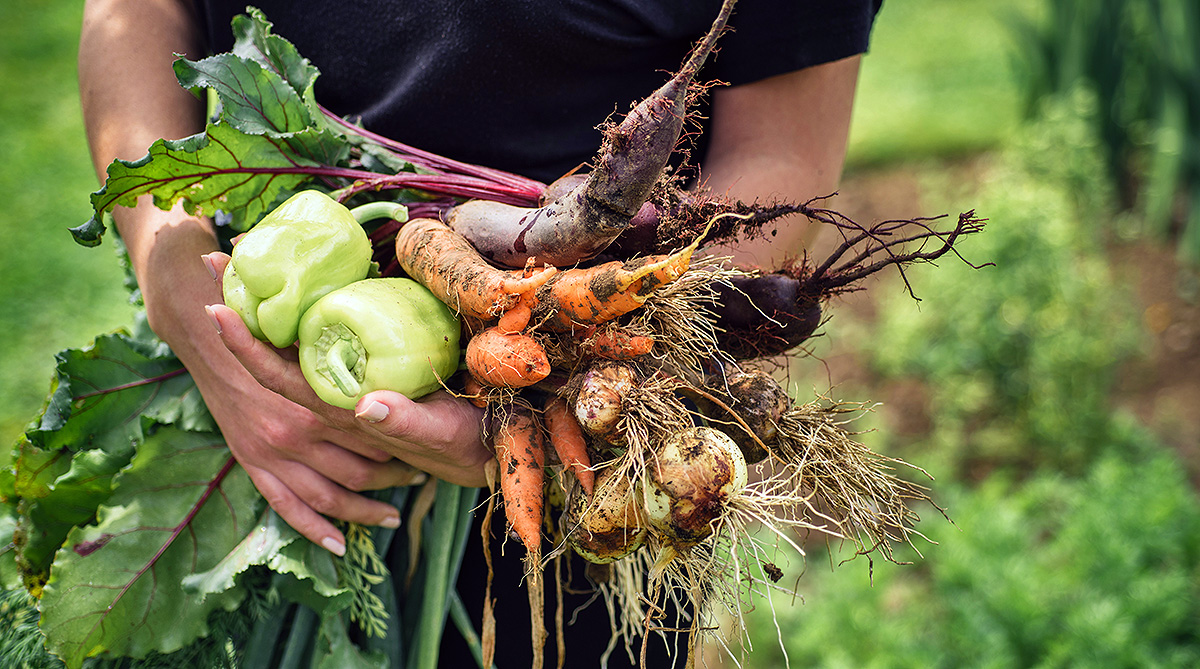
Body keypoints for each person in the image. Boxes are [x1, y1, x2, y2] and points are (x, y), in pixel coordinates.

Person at [78, 0, 882, 663]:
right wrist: (167, 261)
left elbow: (783, 151)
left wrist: (541, 376)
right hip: (249, 382)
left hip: (586, 470)